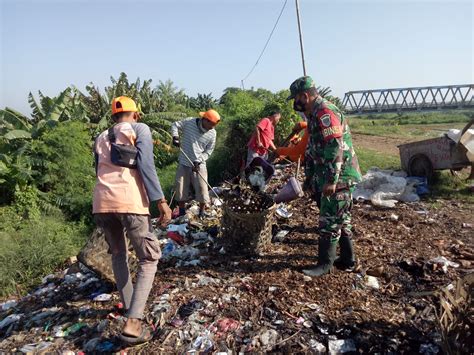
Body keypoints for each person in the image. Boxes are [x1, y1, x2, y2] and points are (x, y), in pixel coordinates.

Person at [93, 96, 172, 345]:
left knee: (118, 254)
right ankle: (134, 322)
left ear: (114, 116)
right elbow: (146, 165)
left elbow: (98, 169)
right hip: (130, 202)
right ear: (135, 114)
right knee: (149, 258)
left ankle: (130, 307)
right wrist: (160, 201)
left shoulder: (101, 136)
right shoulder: (139, 129)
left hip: (102, 203)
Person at [287, 76, 362, 277]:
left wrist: (331, 180)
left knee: (328, 220)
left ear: (305, 96)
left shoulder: (325, 112)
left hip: (341, 176)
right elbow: (313, 149)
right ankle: (348, 259)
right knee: (341, 219)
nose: (295, 103)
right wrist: (310, 177)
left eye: (296, 99)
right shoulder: (313, 114)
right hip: (330, 175)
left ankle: (325, 264)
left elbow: (334, 146)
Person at [171, 109, 220, 218]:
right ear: (205, 120)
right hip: (184, 161)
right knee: (181, 188)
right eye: (211, 125)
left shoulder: (212, 133)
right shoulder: (189, 122)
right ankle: (182, 213)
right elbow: (175, 125)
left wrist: (199, 161)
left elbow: (209, 151)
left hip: (199, 164)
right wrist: (175, 137)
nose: (212, 128)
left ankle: (202, 212)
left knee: (202, 188)